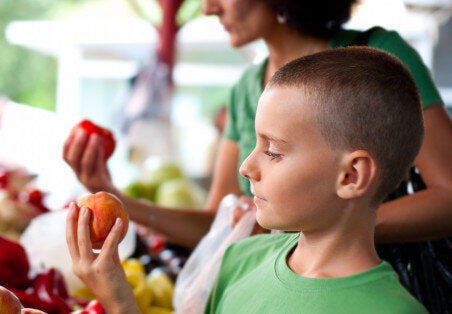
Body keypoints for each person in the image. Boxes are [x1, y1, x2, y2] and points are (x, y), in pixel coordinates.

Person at [62, 0, 452, 249]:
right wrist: (115, 199)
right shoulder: (246, 89)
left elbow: (448, 197)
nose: (208, 8)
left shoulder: (380, 58)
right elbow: (222, 227)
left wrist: (328, 227)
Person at [66, 46, 429, 314]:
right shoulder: (237, 259)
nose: (246, 167)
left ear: (351, 176)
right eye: (254, 143)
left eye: (273, 150)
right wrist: (119, 300)